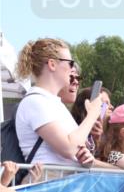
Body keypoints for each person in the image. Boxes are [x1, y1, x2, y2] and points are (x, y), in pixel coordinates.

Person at [13, 38, 104, 168]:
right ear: (52, 64)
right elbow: (68, 148)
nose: (72, 69)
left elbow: (74, 147)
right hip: (50, 182)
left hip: (60, 182)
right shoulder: (35, 101)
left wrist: (85, 156)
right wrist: (92, 114)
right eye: (70, 63)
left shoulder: (51, 102)